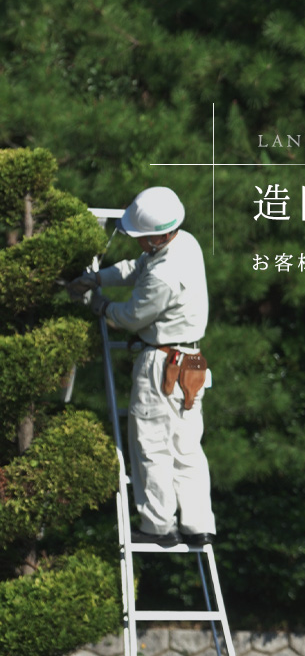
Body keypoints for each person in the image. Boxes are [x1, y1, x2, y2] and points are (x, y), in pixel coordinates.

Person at [66, 186, 214, 546]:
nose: (138, 243)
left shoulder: (164, 275)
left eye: (143, 237)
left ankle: (158, 525)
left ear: (160, 233)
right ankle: (198, 525)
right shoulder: (185, 243)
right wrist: (100, 277)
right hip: (191, 363)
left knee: (151, 445)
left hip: (161, 365)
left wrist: (98, 304)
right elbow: (138, 267)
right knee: (187, 447)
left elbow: (131, 316)